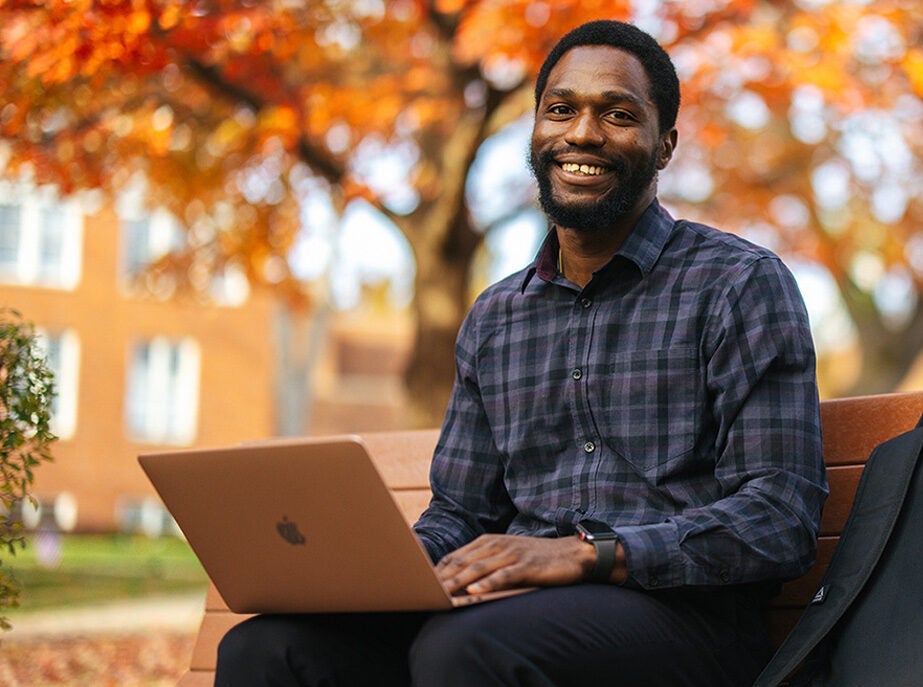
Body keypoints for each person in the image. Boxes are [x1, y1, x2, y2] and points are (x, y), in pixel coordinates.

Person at [216, 19, 827, 687]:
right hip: (505, 616)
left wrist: (588, 554)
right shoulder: (497, 317)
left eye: (618, 114)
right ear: (536, 132)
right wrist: (384, 572)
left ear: (665, 146)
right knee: (266, 648)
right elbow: (462, 513)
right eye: (561, 109)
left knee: (461, 648)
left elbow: (778, 513)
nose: (583, 133)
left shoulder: (738, 284)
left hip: (685, 624)